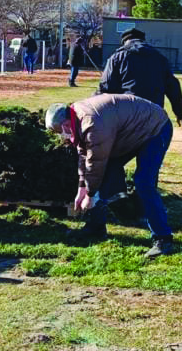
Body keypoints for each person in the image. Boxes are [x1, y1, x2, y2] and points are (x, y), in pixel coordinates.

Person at [46, 94, 174, 257]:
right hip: (129, 133)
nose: (61, 136)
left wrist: (91, 195)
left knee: (144, 182)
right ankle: (96, 227)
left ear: (65, 125)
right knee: (105, 173)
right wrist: (81, 188)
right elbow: (84, 155)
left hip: (155, 129)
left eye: (59, 132)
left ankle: (163, 238)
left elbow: (96, 161)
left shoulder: (92, 123)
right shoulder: (76, 118)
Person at [99, 28, 182, 128]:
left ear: (124, 42)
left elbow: (106, 88)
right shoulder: (159, 58)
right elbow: (173, 87)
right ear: (143, 40)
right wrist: (179, 113)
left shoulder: (116, 57)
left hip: (128, 113)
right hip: (154, 112)